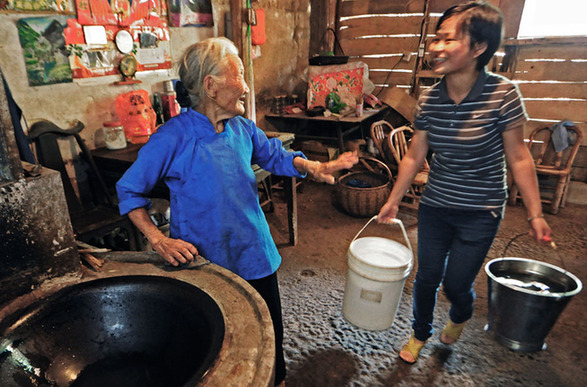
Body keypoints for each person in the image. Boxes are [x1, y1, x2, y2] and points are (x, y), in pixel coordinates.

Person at [116, 37, 358, 386]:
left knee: (268, 332)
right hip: (203, 260)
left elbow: (275, 155)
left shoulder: (241, 129)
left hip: (253, 251)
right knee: (215, 340)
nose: (245, 86)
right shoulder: (172, 138)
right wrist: (158, 239)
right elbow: (128, 188)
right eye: (240, 75)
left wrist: (311, 167)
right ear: (211, 87)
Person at [376, 1, 552, 364]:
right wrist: (394, 199)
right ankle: (420, 332)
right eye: (436, 39)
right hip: (437, 205)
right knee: (426, 278)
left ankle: (461, 313)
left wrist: (535, 214)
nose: (436, 47)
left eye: (448, 39)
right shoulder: (429, 99)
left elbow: (519, 157)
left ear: (479, 48)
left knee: (456, 284)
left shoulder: (503, 94)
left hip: (481, 210)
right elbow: (414, 155)